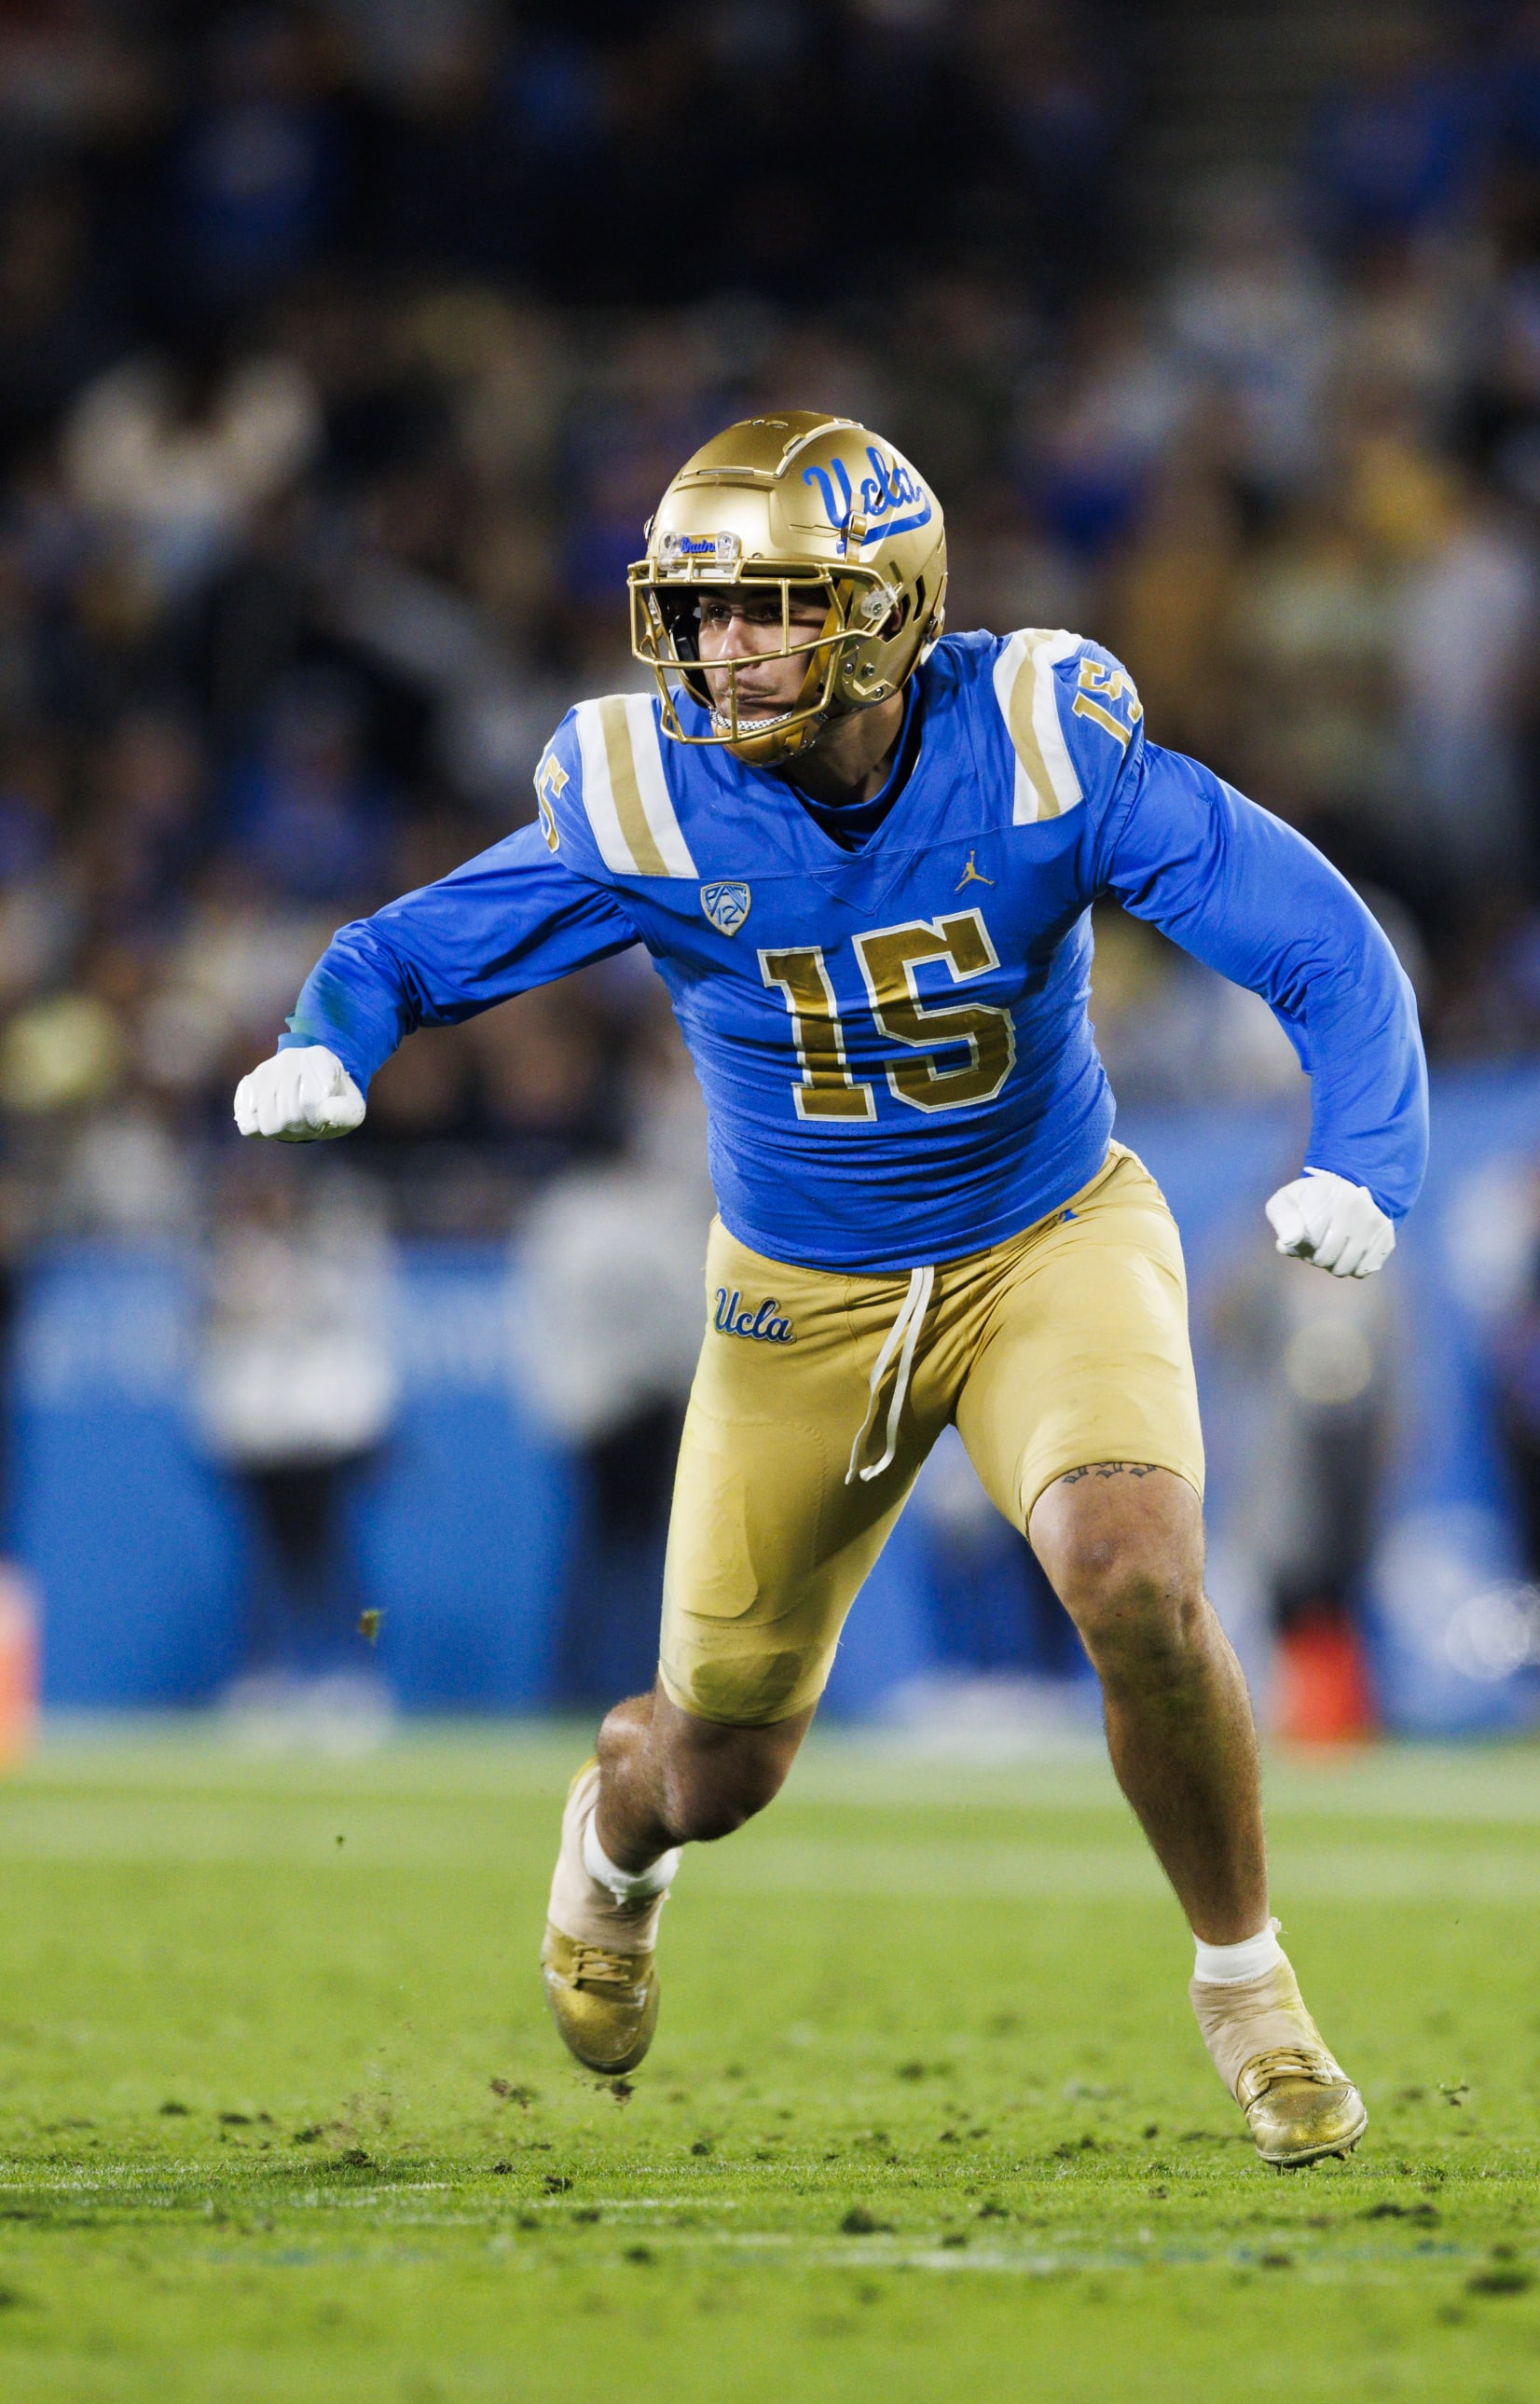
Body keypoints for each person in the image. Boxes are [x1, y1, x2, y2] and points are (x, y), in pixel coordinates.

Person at [234, 414, 1427, 2168]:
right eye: (699, 610)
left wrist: (1365, 1153)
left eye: (770, 607)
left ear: (890, 606)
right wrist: (333, 1038)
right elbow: (403, 948)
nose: (723, 648)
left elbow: (1313, 934)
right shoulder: (651, 787)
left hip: (1049, 1235)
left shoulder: (1035, 740)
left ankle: (1247, 1987)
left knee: (1134, 1573)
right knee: (719, 1768)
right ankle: (613, 1839)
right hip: (800, 1293)